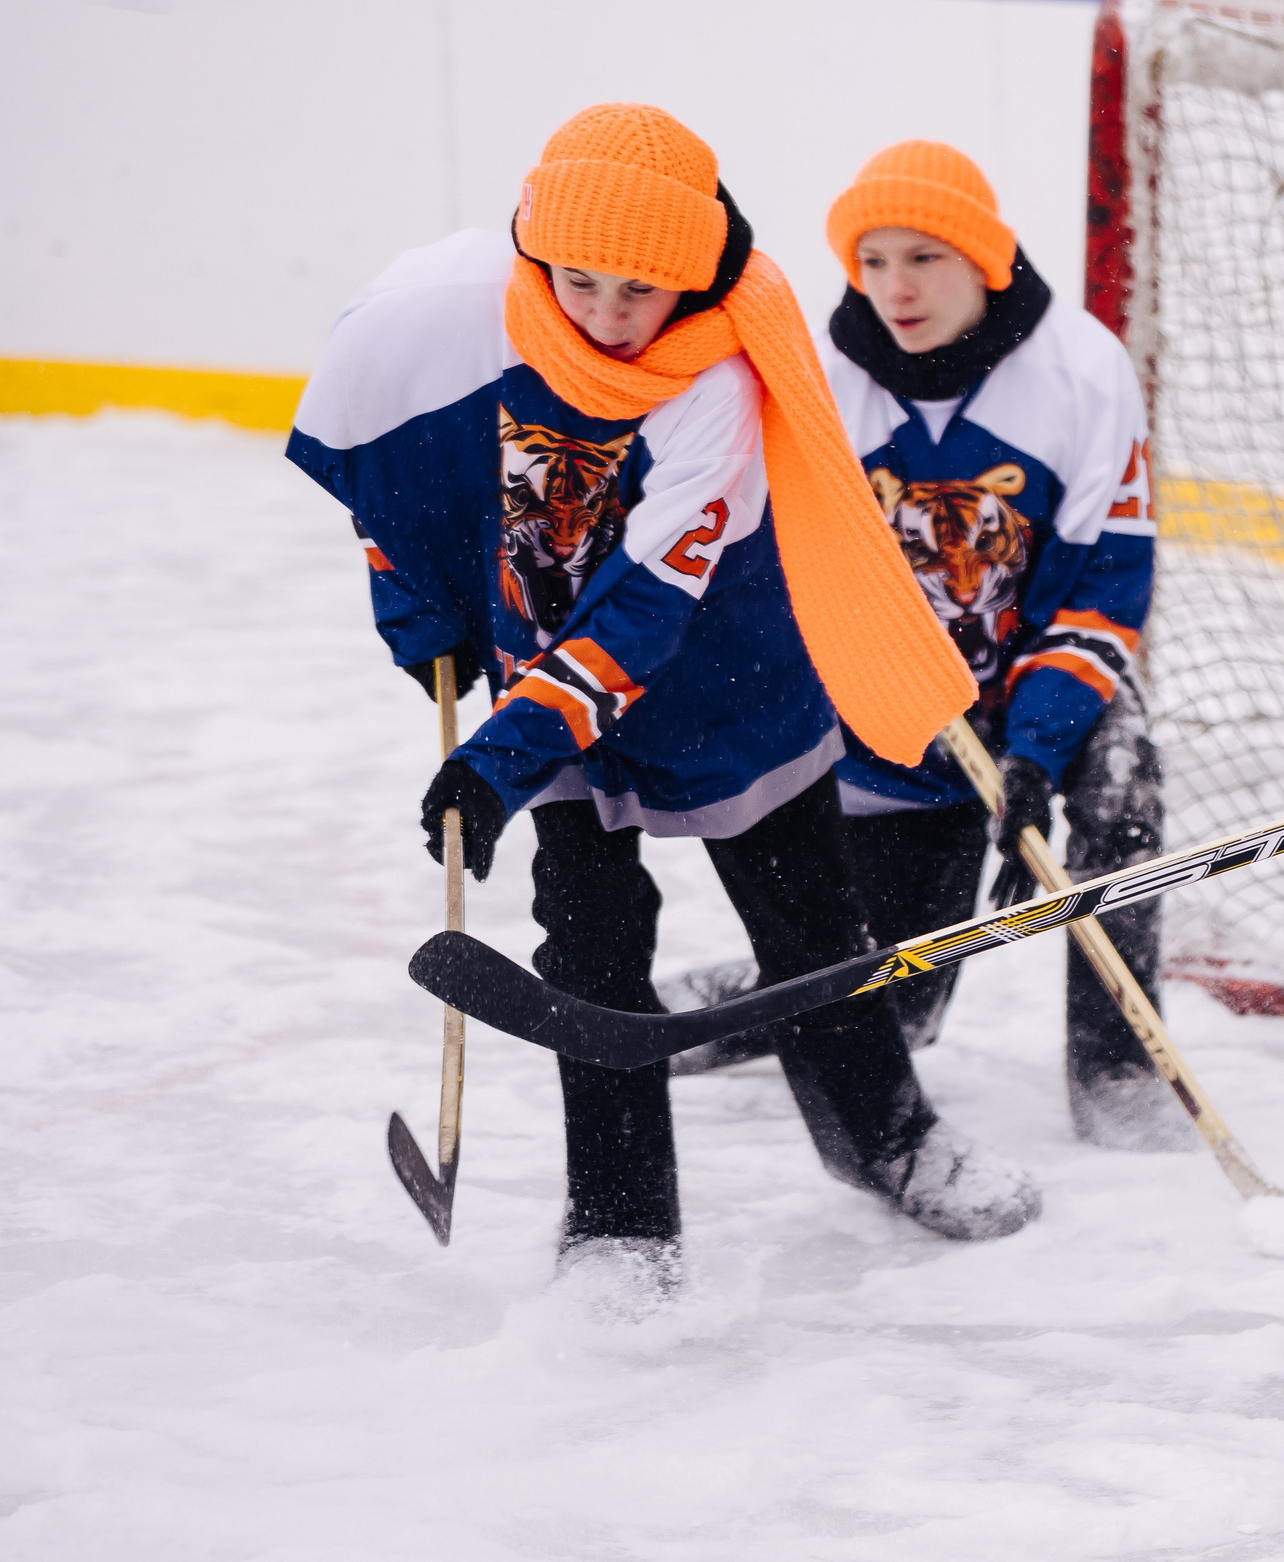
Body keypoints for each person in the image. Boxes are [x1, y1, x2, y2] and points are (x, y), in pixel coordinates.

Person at [286, 105, 1041, 1292]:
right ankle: (620, 1218)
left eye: (641, 291)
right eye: (580, 283)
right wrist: (424, 617)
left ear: (691, 279)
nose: (606, 316)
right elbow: (396, 484)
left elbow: (647, 603)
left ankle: (889, 1139)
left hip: (728, 661)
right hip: (548, 662)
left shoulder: (722, 377)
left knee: (809, 929)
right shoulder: (449, 308)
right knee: (588, 941)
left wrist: (505, 750)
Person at [805, 140, 1184, 1152]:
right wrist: (893, 708)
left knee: (1122, 780)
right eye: (872, 260)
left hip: (1031, 673)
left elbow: (1103, 585)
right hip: (885, 704)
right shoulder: (819, 382)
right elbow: (805, 592)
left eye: (923, 257)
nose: (895, 287)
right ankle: (780, 984)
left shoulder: (1080, 371)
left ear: (982, 259)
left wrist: (1034, 747)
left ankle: (1120, 1067)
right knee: (904, 1010)